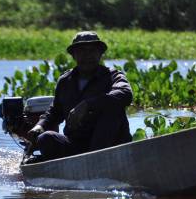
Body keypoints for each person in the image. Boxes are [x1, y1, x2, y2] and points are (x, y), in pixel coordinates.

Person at [26, 31, 133, 162]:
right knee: (45, 138)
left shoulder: (112, 76)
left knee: (112, 109)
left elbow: (125, 94)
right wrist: (40, 126)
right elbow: (54, 113)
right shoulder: (65, 81)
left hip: (109, 147)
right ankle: (76, 164)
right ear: (73, 55)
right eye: (82, 51)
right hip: (76, 146)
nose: (87, 56)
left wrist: (88, 104)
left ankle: (95, 160)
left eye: (92, 51)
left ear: (100, 54)